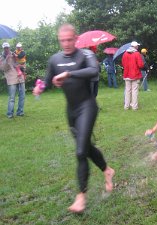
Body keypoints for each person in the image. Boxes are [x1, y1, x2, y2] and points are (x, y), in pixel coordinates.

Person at [32, 24, 115, 213]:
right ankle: (107, 170)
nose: (67, 43)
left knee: (80, 152)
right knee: (85, 148)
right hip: (71, 111)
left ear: (76, 38)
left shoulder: (85, 55)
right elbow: (47, 80)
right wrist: (40, 87)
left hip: (88, 107)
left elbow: (94, 71)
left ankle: (81, 197)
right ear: (59, 40)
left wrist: (69, 73)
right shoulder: (55, 59)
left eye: (70, 39)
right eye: (63, 40)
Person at [0, 42, 25, 118]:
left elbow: (20, 63)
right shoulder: (2, 57)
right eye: (5, 48)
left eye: (7, 47)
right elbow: (3, 68)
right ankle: (10, 114)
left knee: (22, 96)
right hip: (11, 79)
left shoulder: (14, 54)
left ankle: (20, 112)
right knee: (12, 97)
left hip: (20, 77)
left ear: (9, 47)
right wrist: (6, 60)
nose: (7, 49)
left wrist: (17, 58)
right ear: (3, 48)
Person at [121, 41, 144, 110]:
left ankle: (126, 106)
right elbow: (141, 65)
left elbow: (123, 63)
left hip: (126, 74)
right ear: (135, 46)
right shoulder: (137, 54)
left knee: (127, 91)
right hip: (135, 75)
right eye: (137, 46)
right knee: (134, 91)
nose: (138, 47)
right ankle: (134, 106)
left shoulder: (125, 53)